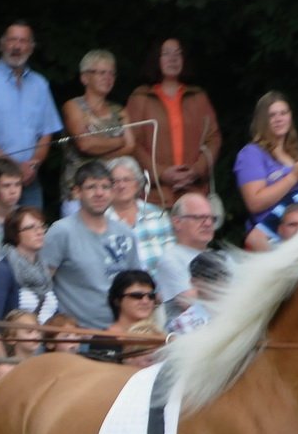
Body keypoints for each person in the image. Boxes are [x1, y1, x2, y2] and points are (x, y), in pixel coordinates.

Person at [0, 22, 61, 210]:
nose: (17, 46)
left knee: (32, 235)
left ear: (31, 48)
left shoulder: (40, 84)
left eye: (23, 41)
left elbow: (46, 133)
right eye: (12, 40)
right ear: (1, 45)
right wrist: (14, 167)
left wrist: (33, 166)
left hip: (30, 179)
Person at [124, 37, 221, 209]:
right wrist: (161, 174)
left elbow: (213, 139)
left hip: (194, 194)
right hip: (154, 197)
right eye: (166, 53)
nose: (173, 58)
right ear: (156, 60)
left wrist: (195, 171)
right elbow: (132, 144)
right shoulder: (140, 98)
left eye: (178, 54)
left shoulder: (198, 97)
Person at [40, 162, 139, 330]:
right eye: (91, 187)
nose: (99, 193)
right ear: (77, 192)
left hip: (122, 331)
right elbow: (41, 284)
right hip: (78, 336)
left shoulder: (125, 232)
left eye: (105, 187)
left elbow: (136, 283)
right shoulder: (61, 231)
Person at [57, 50, 137, 208]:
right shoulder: (73, 106)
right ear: (84, 77)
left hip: (113, 192)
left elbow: (131, 147)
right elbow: (85, 144)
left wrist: (97, 148)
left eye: (111, 73)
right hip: (78, 192)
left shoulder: (119, 111)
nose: (107, 78)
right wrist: (120, 141)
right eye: (101, 72)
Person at [234, 91, 298, 248]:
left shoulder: (294, 153)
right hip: (268, 238)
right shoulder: (251, 153)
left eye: (284, 113)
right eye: (272, 115)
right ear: (262, 121)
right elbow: (254, 202)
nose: (279, 119)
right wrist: (293, 177)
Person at [151, 193, 215, 305]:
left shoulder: (223, 257)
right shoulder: (171, 260)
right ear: (177, 222)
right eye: (199, 217)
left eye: (211, 218)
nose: (208, 223)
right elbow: (190, 303)